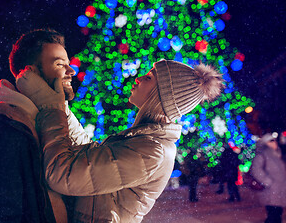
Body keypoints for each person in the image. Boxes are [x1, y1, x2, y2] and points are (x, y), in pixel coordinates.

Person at [16, 59, 224, 222]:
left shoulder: (151, 151)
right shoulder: (145, 139)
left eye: (149, 78)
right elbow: (87, 155)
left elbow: (63, 174)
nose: (138, 78)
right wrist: (60, 106)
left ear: (163, 96)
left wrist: (51, 108)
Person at [0, 29, 90, 223]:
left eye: (68, 64)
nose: (71, 71)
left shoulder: (44, 124)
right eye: (59, 64)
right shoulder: (7, 132)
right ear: (30, 73)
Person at [251, 133, 286, 223]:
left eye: (274, 141)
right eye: (271, 141)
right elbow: (256, 170)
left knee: (277, 215)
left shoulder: (277, 155)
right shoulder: (263, 154)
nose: (275, 143)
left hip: (279, 191)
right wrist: (269, 182)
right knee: (273, 217)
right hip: (271, 192)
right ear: (266, 143)